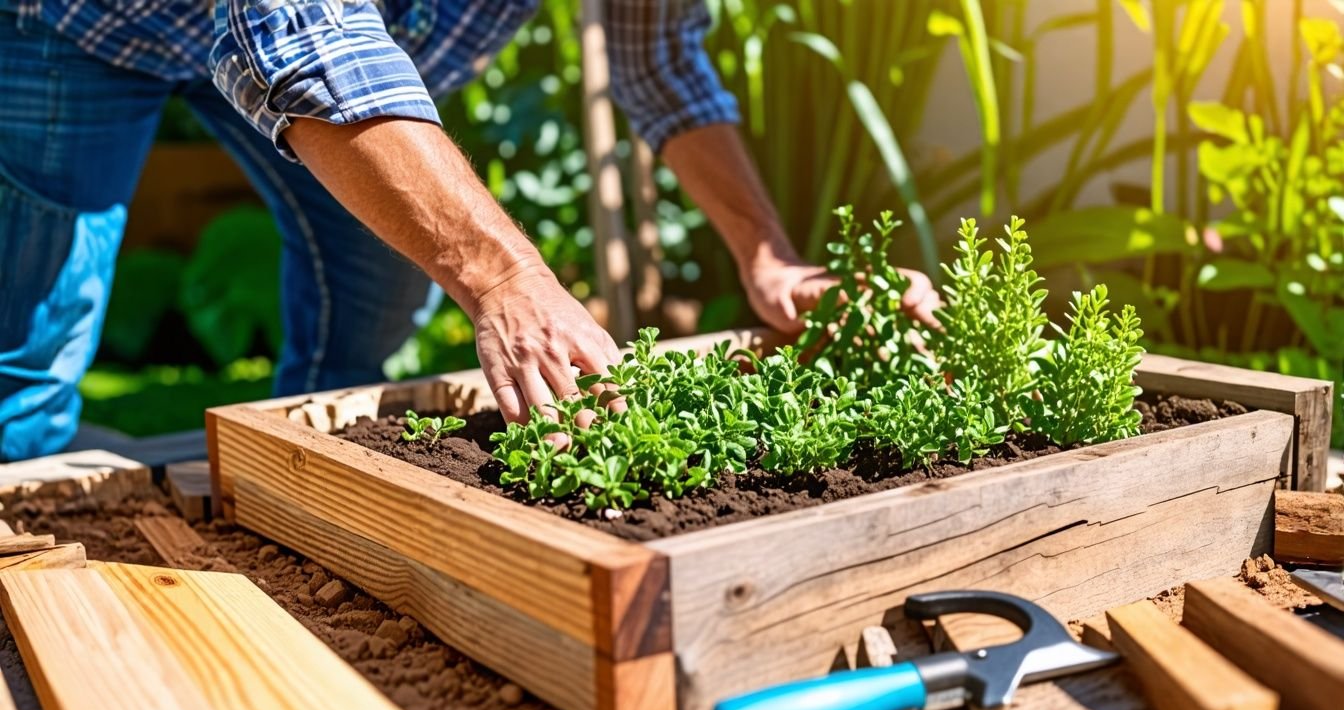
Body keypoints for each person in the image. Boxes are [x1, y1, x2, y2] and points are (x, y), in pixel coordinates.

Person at [0, 0, 938, 462]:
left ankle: (306, 514)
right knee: (29, 358)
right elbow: (293, 29)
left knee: (367, 346)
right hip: (87, 26)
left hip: (332, 70)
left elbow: (662, 62)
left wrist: (769, 259)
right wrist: (502, 274)